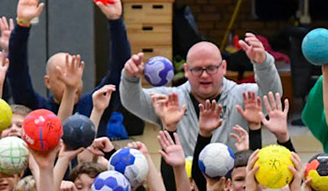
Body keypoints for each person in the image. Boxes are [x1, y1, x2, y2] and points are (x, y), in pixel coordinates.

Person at [119, 37, 284, 152]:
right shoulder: (171, 100)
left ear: (223, 67)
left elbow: (273, 96)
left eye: (211, 68)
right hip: (186, 185)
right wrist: (130, 79)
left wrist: (263, 63)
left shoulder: (242, 96)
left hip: (234, 185)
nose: (204, 75)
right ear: (186, 71)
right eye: (197, 69)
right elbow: (133, 102)